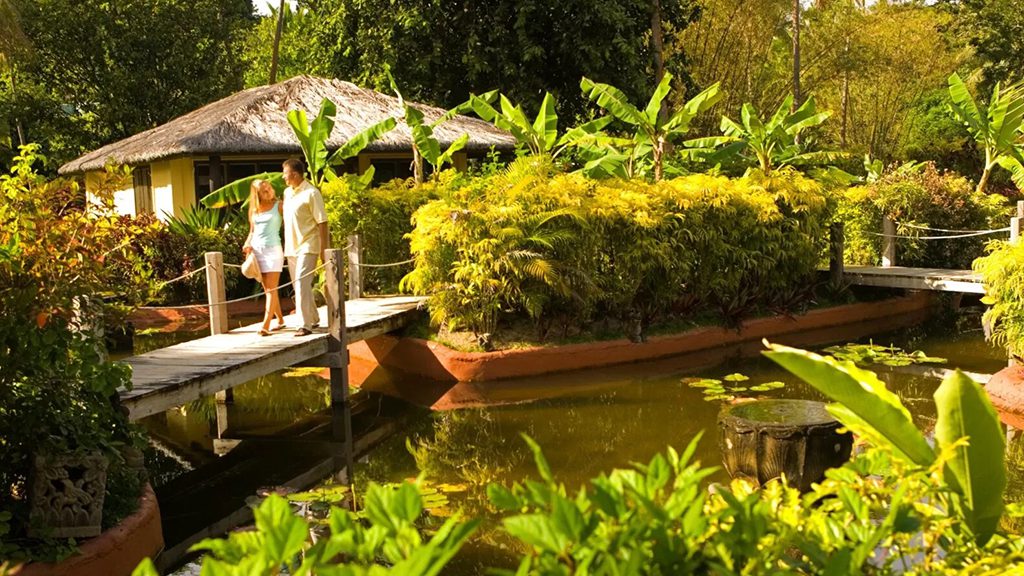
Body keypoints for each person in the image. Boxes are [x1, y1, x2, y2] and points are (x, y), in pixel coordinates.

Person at [281, 158, 330, 336]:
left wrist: (325, 250)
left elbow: (323, 222)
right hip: (291, 246)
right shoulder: (287, 193)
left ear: (294, 174)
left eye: (285, 173)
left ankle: (304, 325)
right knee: (300, 285)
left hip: (309, 245)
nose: (283, 177)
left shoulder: (311, 193)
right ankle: (314, 318)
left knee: (302, 281)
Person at [242, 179, 286, 336]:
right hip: (256, 251)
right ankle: (280, 320)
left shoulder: (279, 205)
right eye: (263, 189)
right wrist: (247, 244)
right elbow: (252, 231)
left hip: (273, 250)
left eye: (268, 186)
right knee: (268, 288)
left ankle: (266, 324)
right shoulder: (254, 210)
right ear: (257, 193)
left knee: (270, 289)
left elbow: (291, 224)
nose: (267, 189)